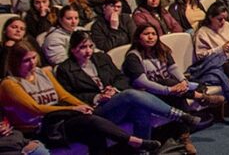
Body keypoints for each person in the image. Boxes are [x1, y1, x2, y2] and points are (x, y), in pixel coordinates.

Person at [0, 41, 160, 153]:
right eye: (26, 60)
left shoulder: (45, 72)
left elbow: (63, 95)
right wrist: (74, 108)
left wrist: (83, 106)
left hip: (61, 119)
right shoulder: (10, 84)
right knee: (89, 121)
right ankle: (133, 141)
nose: (32, 63)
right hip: (41, 129)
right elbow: (35, 109)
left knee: (94, 131)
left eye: (34, 58)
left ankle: (137, 143)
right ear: (15, 62)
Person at [55, 31, 200, 142]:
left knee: (140, 108)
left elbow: (121, 78)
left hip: (115, 101)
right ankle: (180, 115)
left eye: (90, 46)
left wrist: (114, 89)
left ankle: (144, 150)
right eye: (82, 47)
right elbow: (69, 97)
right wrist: (97, 97)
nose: (88, 51)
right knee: (131, 94)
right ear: (73, 49)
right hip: (95, 110)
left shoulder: (101, 58)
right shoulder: (65, 69)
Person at [122, 24, 224, 154]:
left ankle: (185, 138)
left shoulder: (161, 49)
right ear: (138, 37)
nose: (151, 37)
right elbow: (143, 82)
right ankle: (201, 98)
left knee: (178, 96)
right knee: (170, 85)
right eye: (146, 34)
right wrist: (168, 89)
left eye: (153, 34)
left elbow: (173, 68)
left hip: (169, 90)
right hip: (147, 95)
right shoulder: (133, 57)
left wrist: (183, 82)